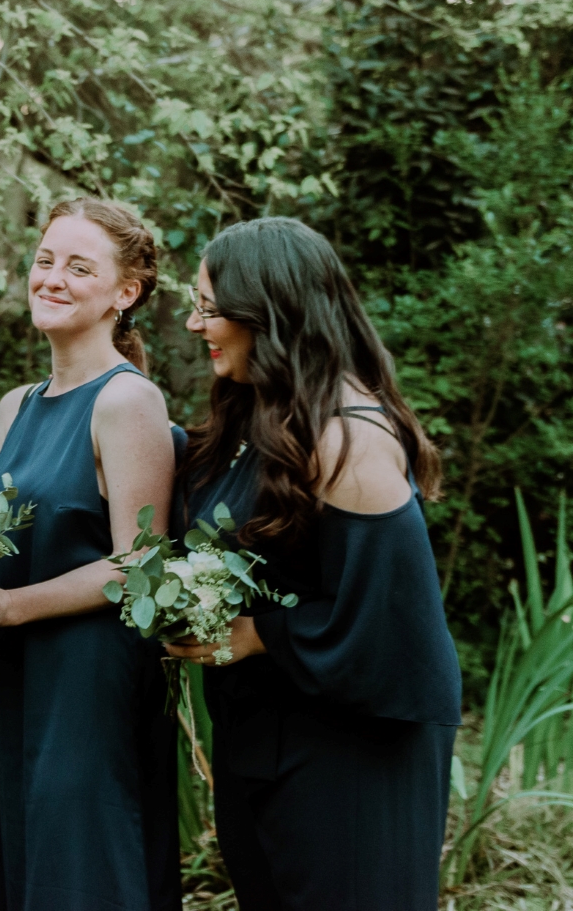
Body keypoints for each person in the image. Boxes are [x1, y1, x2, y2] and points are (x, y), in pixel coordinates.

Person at [166, 216, 461, 908]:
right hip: (266, 733)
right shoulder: (261, 418)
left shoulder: (348, 441)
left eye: (209, 308)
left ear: (269, 313)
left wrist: (257, 634)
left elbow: (392, 629)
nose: (194, 324)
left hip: (353, 753)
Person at [0, 198, 182, 911]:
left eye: (79, 267)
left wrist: (7, 606)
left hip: (92, 680)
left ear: (125, 293)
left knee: (83, 869)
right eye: (45, 261)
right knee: (30, 860)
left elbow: (142, 564)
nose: (52, 278)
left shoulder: (127, 401)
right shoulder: (17, 405)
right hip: (23, 673)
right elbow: (15, 548)